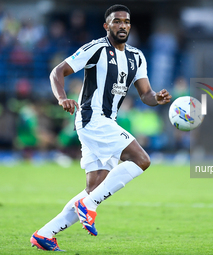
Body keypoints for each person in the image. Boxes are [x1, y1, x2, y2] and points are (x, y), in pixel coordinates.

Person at [30, 4, 171, 251]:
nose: (123, 25)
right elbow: (57, 72)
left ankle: (45, 234)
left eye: (126, 22)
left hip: (107, 121)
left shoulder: (136, 56)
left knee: (93, 188)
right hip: (91, 118)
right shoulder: (96, 48)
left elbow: (146, 94)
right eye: (117, 21)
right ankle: (89, 205)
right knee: (141, 159)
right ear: (107, 26)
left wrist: (156, 98)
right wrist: (62, 97)